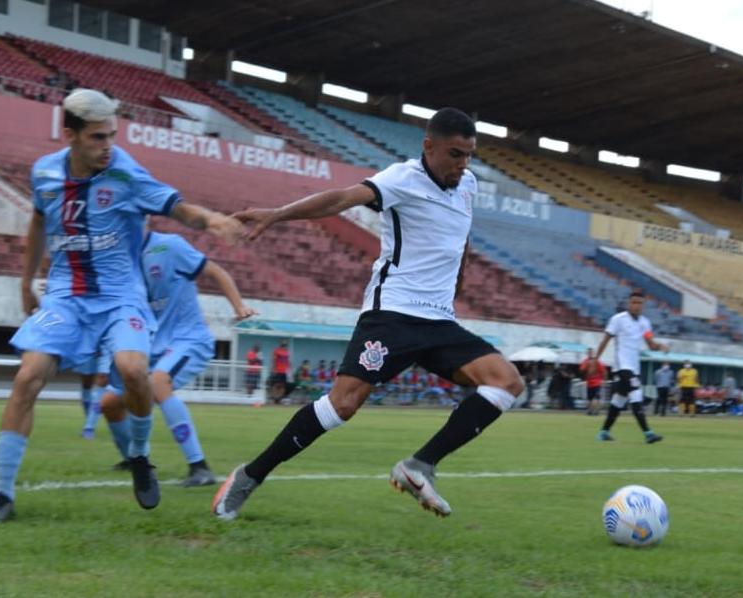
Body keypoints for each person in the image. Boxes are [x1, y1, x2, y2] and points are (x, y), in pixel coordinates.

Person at [212, 107, 524, 521]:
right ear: (428, 146)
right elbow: (342, 198)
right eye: (455, 154)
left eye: (469, 154)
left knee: (507, 382)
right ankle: (249, 477)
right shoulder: (402, 179)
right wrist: (277, 214)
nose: (462, 163)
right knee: (341, 406)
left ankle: (420, 466)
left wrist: (459, 280)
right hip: (392, 315)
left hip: (439, 320)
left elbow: (460, 236)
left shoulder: (467, 184)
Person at [0, 88, 242, 523]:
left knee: (135, 370)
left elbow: (178, 208)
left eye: (112, 136)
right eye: (98, 137)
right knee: (27, 378)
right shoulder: (43, 173)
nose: (108, 147)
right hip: (66, 294)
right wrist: (26, 282)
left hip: (122, 295)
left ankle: (139, 455)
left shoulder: (126, 173)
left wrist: (213, 220)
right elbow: (39, 222)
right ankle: (2, 494)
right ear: (70, 135)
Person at [98, 229, 256, 486]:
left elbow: (215, 271)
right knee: (108, 403)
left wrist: (238, 306)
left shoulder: (168, 246)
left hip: (188, 339)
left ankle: (199, 467)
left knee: (159, 382)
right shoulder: (118, 260)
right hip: (151, 344)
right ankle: (135, 459)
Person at [594, 291, 667, 443]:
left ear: (643, 305)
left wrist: (661, 346)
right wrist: (596, 359)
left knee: (618, 400)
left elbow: (651, 345)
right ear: (629, 304)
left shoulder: (644, 323)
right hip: (622, 366)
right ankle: (648, 433)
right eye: (633, 302)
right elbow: (605, 340)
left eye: (639, 303)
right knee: (636, 394)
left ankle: (603, 432)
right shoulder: (618, 319)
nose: (636, 306)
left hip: (634, 368)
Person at [579, 348, 606, 415]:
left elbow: (582, 370)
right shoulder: (596, 361)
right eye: (589, 352)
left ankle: (591, 411)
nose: (590, 354)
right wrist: (603, 379)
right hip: (593, 383)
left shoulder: (586, 361)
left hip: (594, 382)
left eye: (590, 352)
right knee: (594, 398)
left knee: (591, 398)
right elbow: (603, 371)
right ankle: (595, 411)